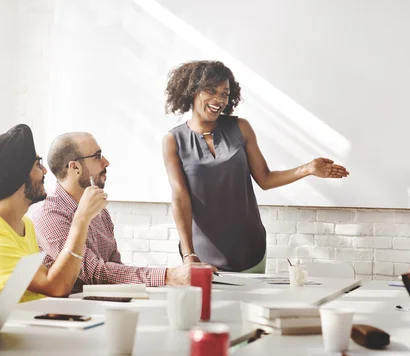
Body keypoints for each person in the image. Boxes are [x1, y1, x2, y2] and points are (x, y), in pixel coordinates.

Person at [162, 60, 349, 273]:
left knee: (253, 306)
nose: (219, 100)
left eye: (225, 93)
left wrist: (308, 168)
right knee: (208, 307)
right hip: (202, 255)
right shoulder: (173, 141)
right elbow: (180, 198)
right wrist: (189, 255)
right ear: (192, 91)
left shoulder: (240, 128)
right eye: (211, 90)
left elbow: (265, 179)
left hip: (250, 250)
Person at [31, 132, 203, 294]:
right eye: (97, 156)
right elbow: (96, 274)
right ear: (75, 167)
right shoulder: (49, 215)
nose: (106, 162)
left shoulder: (100, 213)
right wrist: (168, 276)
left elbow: (115, 271)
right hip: (67, 316)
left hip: (96, 308)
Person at [0, 124, 105, 301]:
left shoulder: (26, 225)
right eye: (37, 164)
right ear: (18, 175)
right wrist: (81, 218)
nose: (45, 171)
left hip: (34, 322)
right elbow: (56, 286)